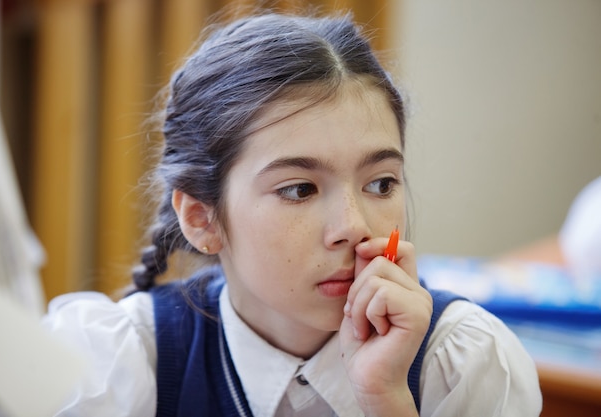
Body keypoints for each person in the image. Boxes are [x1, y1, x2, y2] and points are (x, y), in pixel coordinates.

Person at [42, 11, 542, 417]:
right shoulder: (125, 362)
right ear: (201, 219)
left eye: (381, 183)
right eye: (299, 189)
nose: (354, 226)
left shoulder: (462, 363)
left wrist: (385, 398)